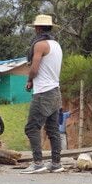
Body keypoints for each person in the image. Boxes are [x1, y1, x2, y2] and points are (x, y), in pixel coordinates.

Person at [22, 14, 64, 174]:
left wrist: (29, 79)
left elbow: (34, 67)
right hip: (55, 90)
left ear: (38, 28)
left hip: (43, 92)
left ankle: (38, 162)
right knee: (53, 129)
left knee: (32, 127)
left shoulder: (40, 45)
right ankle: (56, 162)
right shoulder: (56, 45)